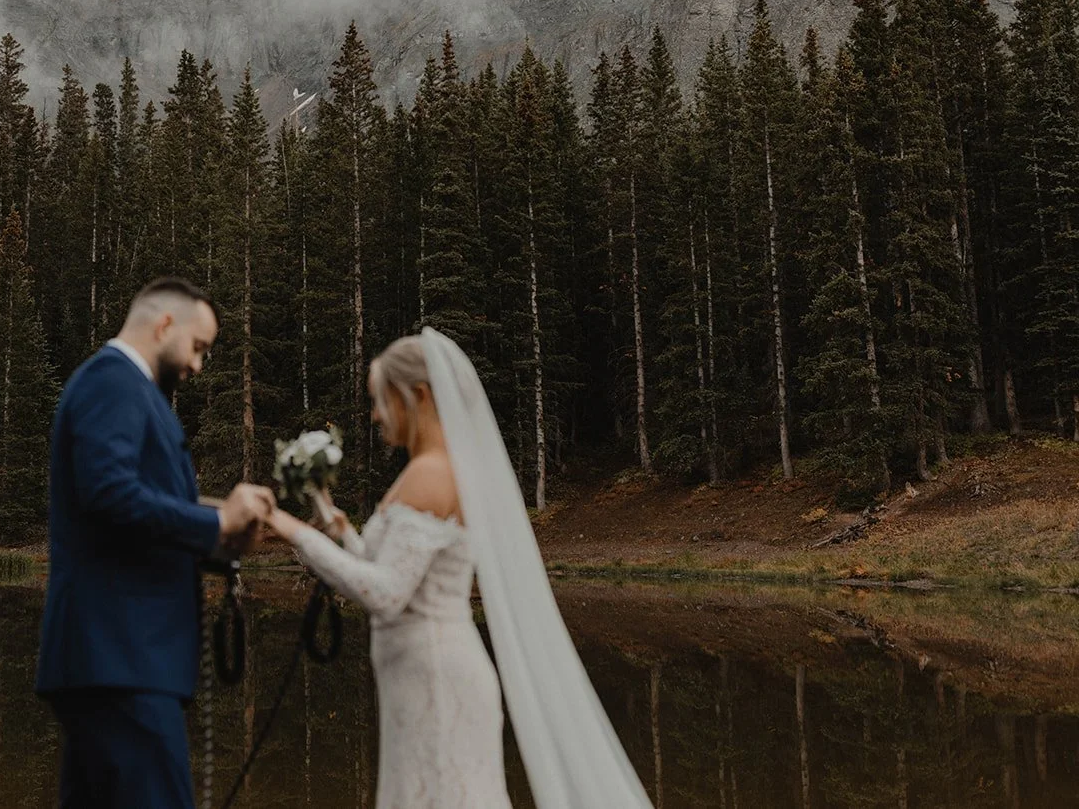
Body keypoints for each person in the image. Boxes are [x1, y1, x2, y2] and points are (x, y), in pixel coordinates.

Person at [265, 330, 653, 808]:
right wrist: (336, 529)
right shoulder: (428, 468)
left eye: (381, 401)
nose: (375, 416)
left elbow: (386, 593)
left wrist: (287, 527)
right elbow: (386, 567)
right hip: (419, 677)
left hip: (437, 680)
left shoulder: (432, 473)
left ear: (419, 395)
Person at [36, 277, 275, 809]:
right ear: (165, 324)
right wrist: (214, 524)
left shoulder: (132, 391)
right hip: (121, 660)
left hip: (117, 661)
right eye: (198, 347)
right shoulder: (114, 381)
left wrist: (224, 534)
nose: (197, 366)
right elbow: (109, 494)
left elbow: (130, 508)